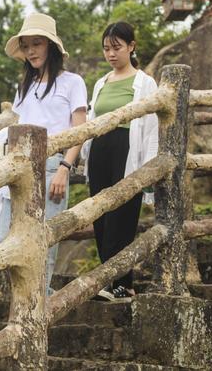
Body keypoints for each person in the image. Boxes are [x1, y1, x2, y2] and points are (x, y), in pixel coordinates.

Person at [0, 13, 87, 295]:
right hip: (19, 167)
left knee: (43, 241)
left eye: (37, 44)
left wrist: (64, 168)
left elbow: (80, 129)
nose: (31, 51)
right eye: (26, 45)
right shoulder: (25, 87)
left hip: (53, 165)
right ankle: (28, 302)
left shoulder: (72, 82)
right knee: (12, 240)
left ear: (51, 46)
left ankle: (40, 303)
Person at [82, 21, 159, 300]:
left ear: (131, 47)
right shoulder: (101, 83)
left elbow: (151, 127)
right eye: (106, 49)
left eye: (116, 47)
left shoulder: (145, 82)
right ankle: (108, 280)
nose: (111, 54)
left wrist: (150, 166)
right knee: (100, 216)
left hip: (127, 148)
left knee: (122, 217)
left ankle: (123, 283)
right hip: (100, 149)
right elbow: (92, 120)